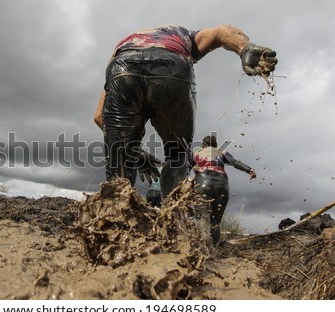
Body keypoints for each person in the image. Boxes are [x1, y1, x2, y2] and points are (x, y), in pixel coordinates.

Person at [93, 24, 277, 199]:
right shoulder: (182, 34)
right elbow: (221, 32)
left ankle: (114, 219)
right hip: (171, 67)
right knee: (177, 154)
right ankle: (173, 220)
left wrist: (136, 152)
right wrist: (244, 48)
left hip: (122, 69)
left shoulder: (124, 45)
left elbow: (100, 116)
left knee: (119, 171)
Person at [191, 135, 256, 243]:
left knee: (202, 217)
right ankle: (214, 248)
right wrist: (249, 170)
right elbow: (235, 162)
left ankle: (203, 246)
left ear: (203, 145)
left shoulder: (197, 154)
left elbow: (185, 166)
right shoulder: (222, 152)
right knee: (216, 221)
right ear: (216, 145)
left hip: (202, 183)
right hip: (222, 185)